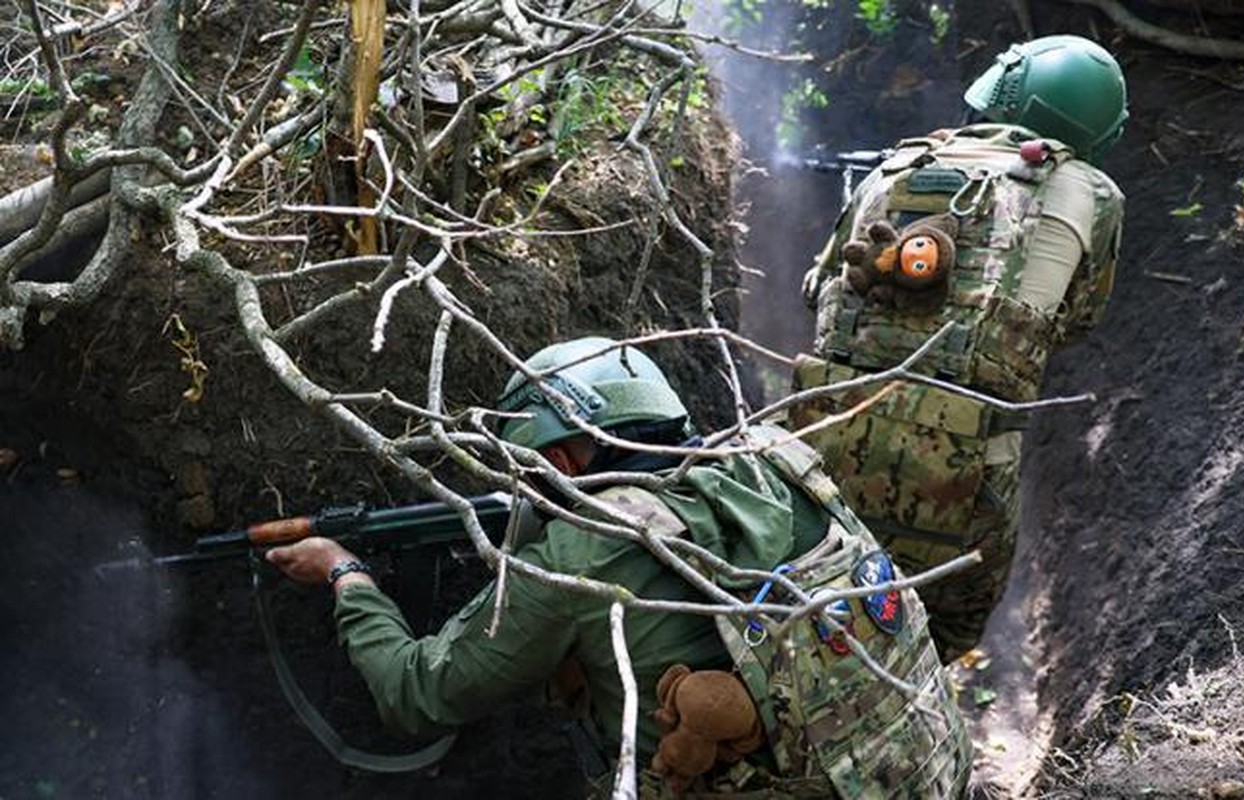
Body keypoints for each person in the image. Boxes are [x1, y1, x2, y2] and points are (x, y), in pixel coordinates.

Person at [267, 335, 971, 798]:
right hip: (918, 771)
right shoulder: (776, 458)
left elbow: (418, 695)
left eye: (534, 466)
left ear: (566, 456)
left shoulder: (583, 555)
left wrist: (344, 573)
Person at [792, 34, 1127, 663]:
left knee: (814, 605)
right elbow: (1076, 320)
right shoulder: (1093, 193)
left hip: (825, 447)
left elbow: (818, 291)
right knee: (942, 631)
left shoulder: (897, 164)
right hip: (965, 472)